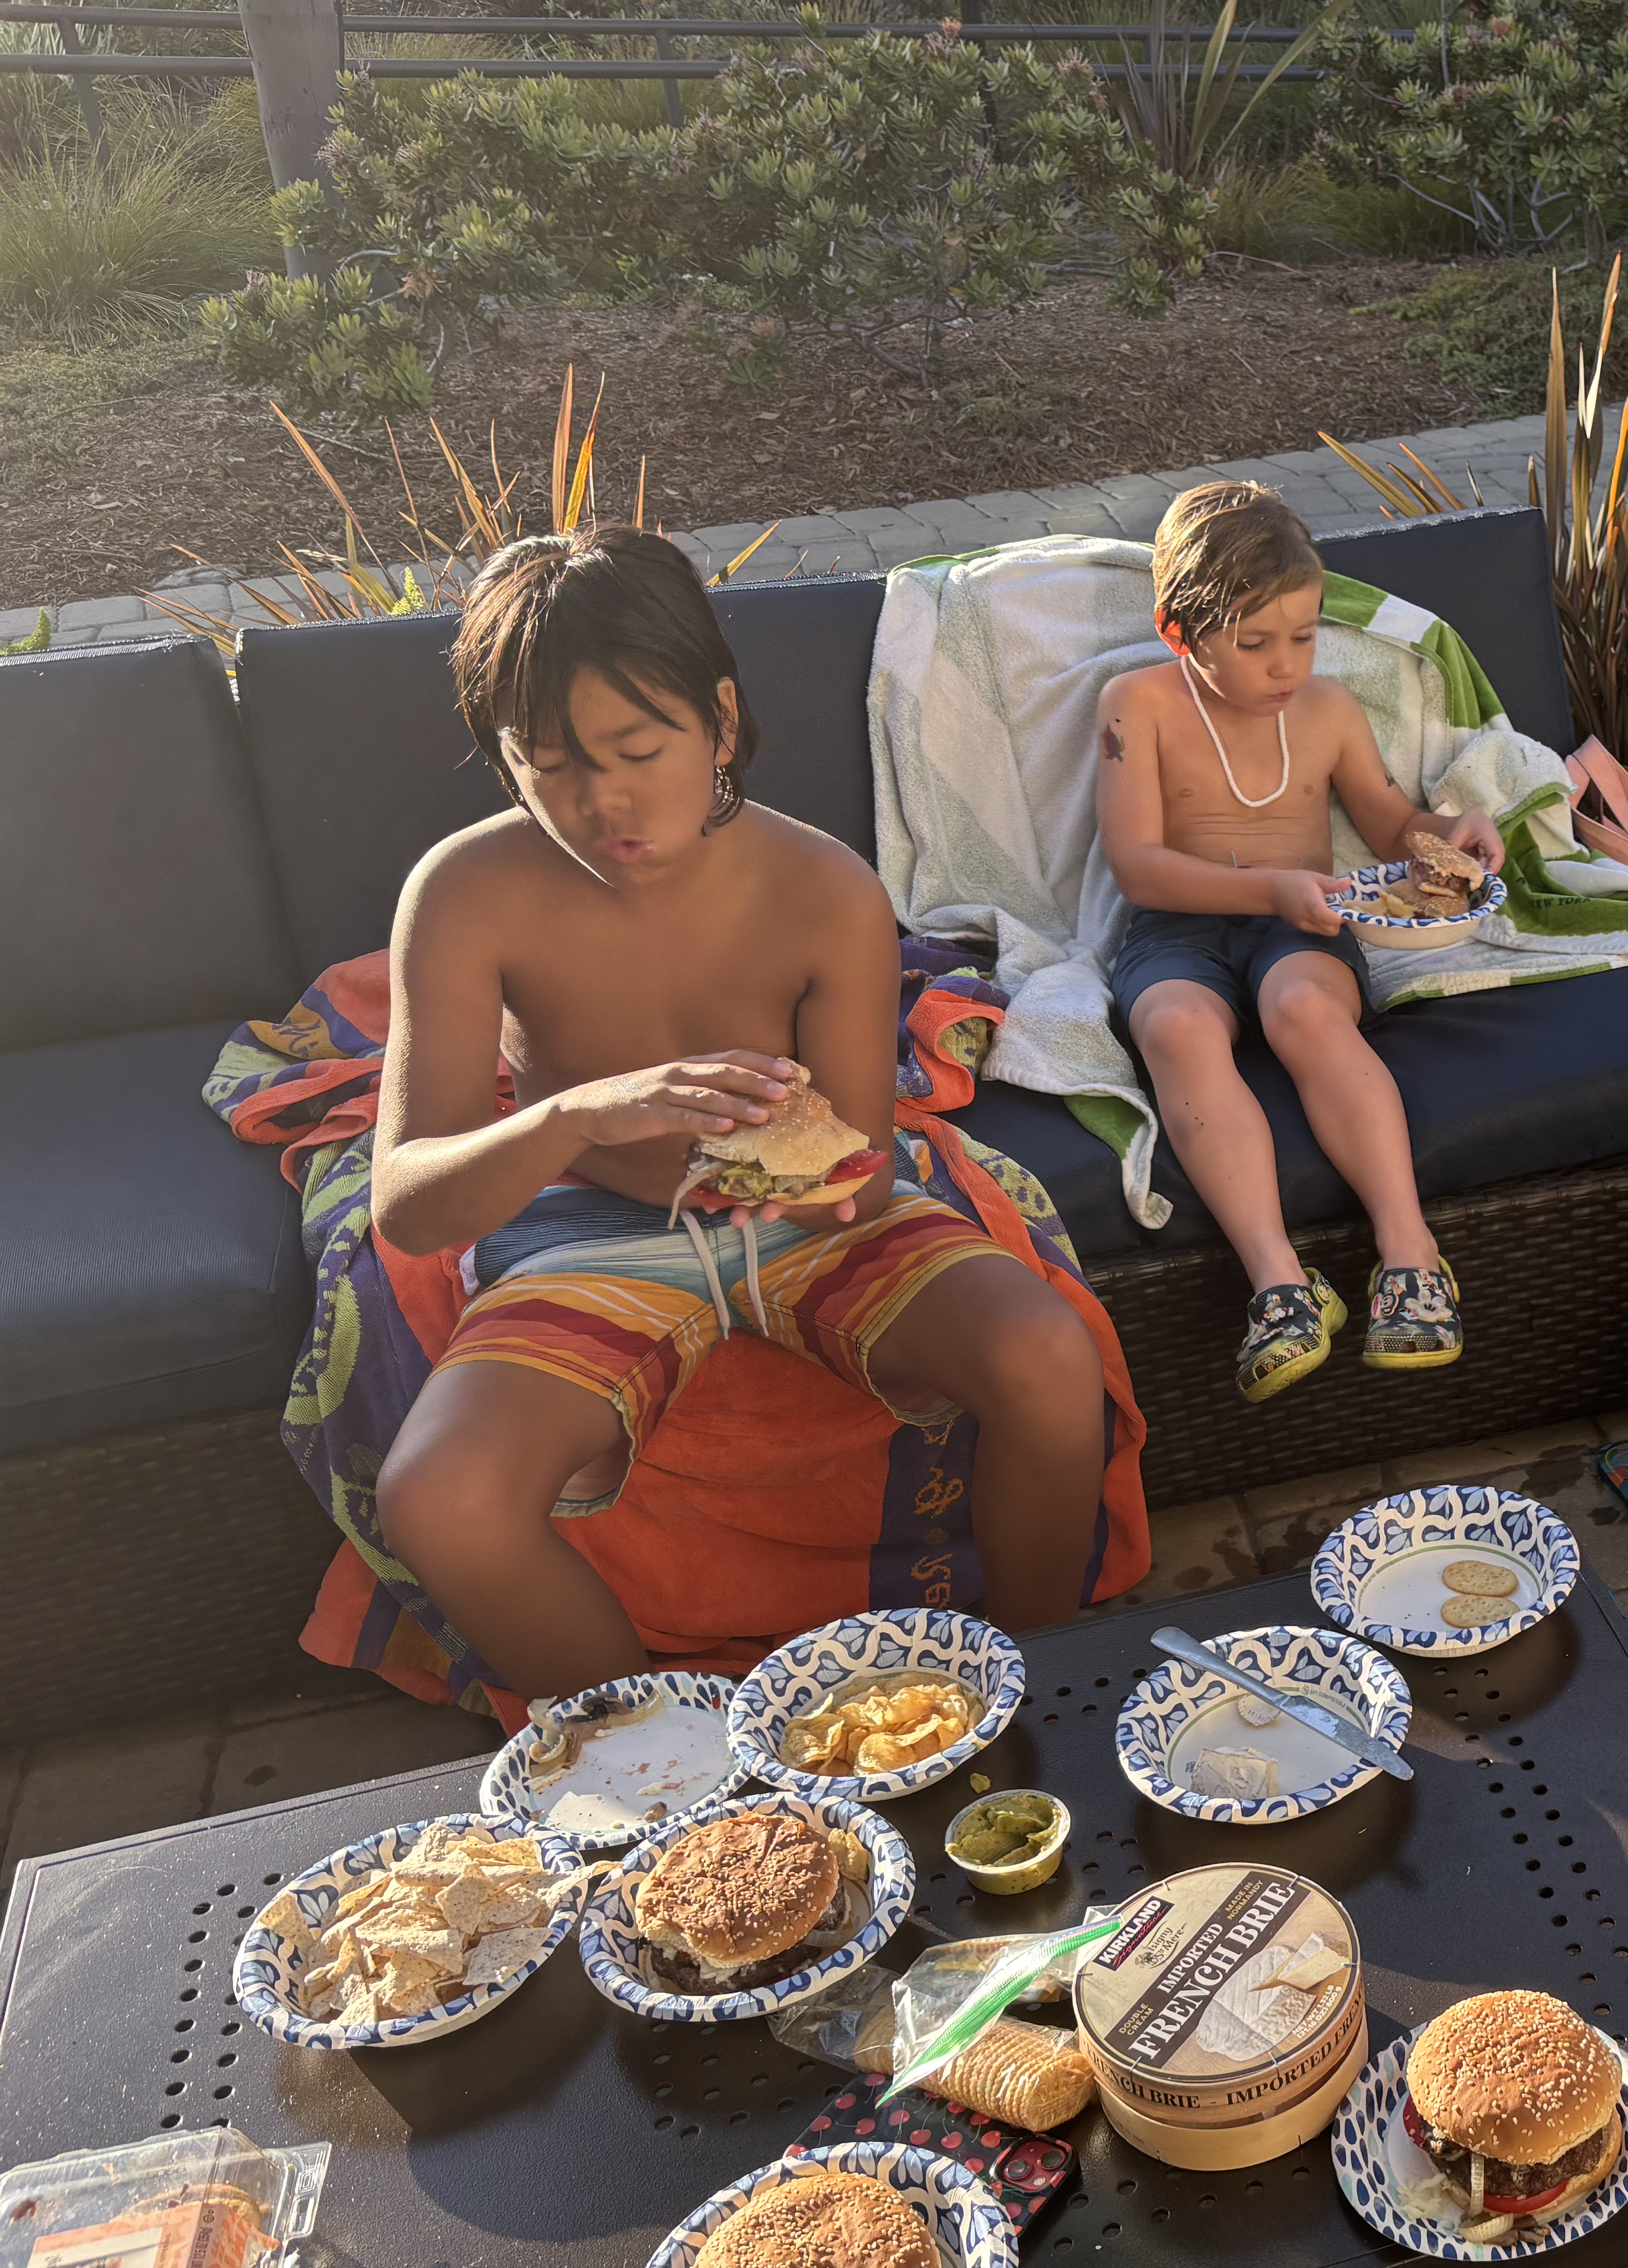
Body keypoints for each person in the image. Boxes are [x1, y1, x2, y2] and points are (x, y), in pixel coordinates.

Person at [367, 526, 1115, 1705]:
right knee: (438, 1496)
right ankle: (678, 1785)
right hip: (592, 1233)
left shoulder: (823, 890)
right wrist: (579, 1117)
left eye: (637, 748)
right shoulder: (466, 894)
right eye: (548, 764)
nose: (602, 799)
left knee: (1046, 1359)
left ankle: (1037, 1697)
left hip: (818, 1232)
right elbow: (409, 1207)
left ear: (718, 720)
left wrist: (788, 1159)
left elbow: (861, 1181)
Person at [1096, 479, 1505, 1405]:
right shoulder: (1137, 707)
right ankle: (1280, 1284)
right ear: (1179, 631)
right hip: (1177, 931)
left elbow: (1392, 820)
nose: (1286, 664)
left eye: (1303, 636)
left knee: (1306, 1010)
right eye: (1254, 644)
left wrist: (1455, 831)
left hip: (1305, 924)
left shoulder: (1326, 712)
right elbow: (1138, 868)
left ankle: (1409, 1250)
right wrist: (1263, 884)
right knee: (1173, 1028)